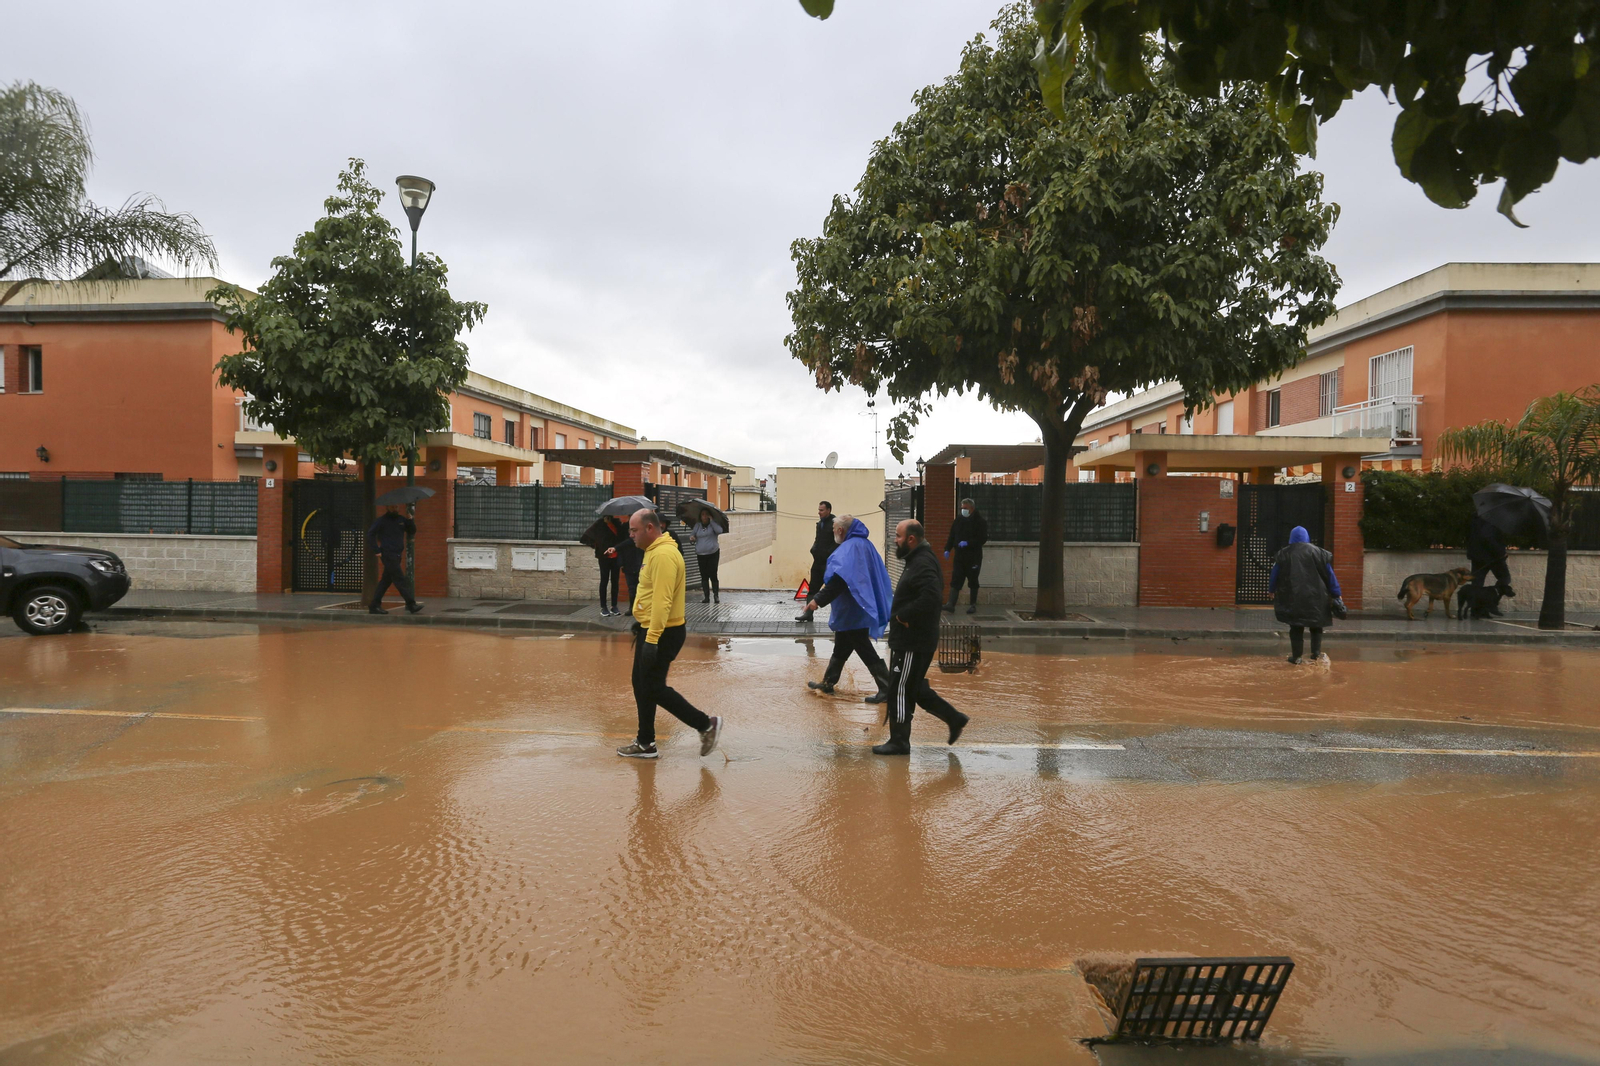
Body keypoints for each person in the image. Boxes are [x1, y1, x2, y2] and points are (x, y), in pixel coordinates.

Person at [616, 508, 724, 760]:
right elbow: (651, 596)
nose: (630, 535)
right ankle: (645, 743)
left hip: (664, 632)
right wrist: (641, 621)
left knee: (652, 687)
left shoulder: (663, 555)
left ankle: (706, 724)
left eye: (634, 530)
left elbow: (663, 600)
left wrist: (651, 639)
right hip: (653, 628)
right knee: (641, 685)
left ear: (650, 529)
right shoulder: (653, 552)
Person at [874, 519, 970, 755]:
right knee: (912, 687)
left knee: (899, 689)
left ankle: (899, 741)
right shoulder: (916, 559)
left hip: (912, 641)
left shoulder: (922, 562)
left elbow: (931, 596)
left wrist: (903, 615)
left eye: (897, 536)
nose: (894, 540)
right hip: (912, 639)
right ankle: (954, 718)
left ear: (911, 539)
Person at [799, 514, 894, 703]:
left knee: (863, 648)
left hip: (852, 610)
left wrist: (817, 600)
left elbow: (840, 580)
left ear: (841, 530)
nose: (833, 531)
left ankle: (887, 687)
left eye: (834, 528)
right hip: (857, 606)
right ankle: (828, 683)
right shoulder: (864, 545)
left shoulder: (850, 548)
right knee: (842, 646)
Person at [1268, 525, 1343, 664]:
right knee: (1316, 625)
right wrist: (1337, 593)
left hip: (1293, 596)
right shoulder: (1320, 553)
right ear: (1307, 537)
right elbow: (1330, 576)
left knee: (1296, 627)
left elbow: (1275, 574)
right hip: (1318, 596)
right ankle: (1315, 655)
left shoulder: (1284, 553)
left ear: (1291, 538)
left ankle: (1296, 657)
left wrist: (1271, 590)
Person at [367, 504, 422, 615]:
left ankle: (374, 605)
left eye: (396, 507)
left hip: (397, 554)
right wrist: (376, 550)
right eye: (392, 507)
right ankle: (411, 604)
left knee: (386, 581)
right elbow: (370, 534)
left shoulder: (401, 519)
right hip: (387, 554)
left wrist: (410, 519)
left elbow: (412, 531)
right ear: (387, 507)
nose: (395, 508)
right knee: (400, 579)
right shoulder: (381, 521)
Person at [943, 497, 989, 614]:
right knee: (956, 579)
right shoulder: (958, 520)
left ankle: (972, 604)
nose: (963, 510)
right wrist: (947, 549)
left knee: (973, 580)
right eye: (962, 508)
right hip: (959, 557)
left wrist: (968, 543)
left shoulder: (980, 522)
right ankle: (951, 604)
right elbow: (952, 535)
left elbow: (982, 539)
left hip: (973, 557)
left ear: (972, 509)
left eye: (965, 508)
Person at [796, 500, 835, 623]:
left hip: (828, 563)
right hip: (817, 561)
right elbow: (817, 539)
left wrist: (827, 554)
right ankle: (808, 614)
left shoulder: (835, 523)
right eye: (819, 510)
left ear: (828, 510)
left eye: (822, 510)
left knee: (834, 589)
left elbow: (837, 542)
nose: (819, 512)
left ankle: (838, 617)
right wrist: (814, 549)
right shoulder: (820, 524)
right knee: (813, 588)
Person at [1467, 512, 1516, 605]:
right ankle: (1492, 598)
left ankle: (1476, 608)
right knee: (1505, 578)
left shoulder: (1476, 518)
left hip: (1478, 556)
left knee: (1477, 582)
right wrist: (1501, 552)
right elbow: (1487, 537)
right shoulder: (1491, 519)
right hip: (1493, 557)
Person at [590, 515, 630, 617]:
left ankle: (614, 605)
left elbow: (621, 537)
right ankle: (603, 607)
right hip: (604, 557)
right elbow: (591, 537)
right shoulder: (599, 524)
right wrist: (598, 547)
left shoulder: (617, 523)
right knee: (604, 580)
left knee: (615, 581)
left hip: (615, 556)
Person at [693, 507, 725, 604]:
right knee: (704, 576)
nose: (705, 516)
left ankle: (716, 595)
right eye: (703, 514)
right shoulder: (697, 526)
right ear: (700, 516)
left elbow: (719, 531)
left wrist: (712, 521)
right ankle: (706, 597)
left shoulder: (713, 525)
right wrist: (692, 537)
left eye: (706, 514)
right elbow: (693, 534)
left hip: (713, 553)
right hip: (701, 554)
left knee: (713, 574)